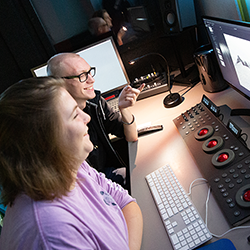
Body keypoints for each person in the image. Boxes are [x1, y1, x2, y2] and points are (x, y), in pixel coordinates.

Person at [0, 77, 143, 249]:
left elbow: (126, 202)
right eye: (75, 114)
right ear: (47, 140)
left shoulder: (70, 164)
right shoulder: (52, 233)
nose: (87, 117)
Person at [47, 53, 144, 188]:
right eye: (82, 75)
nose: (91, 80)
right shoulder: (56, 126)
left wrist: (124, 109)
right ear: (59, 83)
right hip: (87, 188)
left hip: (105, 175)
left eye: (89, 72)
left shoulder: (95, 103)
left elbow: (131, 136)